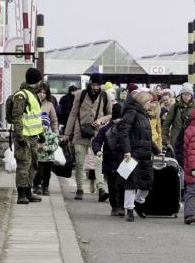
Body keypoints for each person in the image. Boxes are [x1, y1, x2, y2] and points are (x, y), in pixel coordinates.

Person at [64, 73, 112, 201]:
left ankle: (101, 188)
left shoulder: (104, 95)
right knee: (79, 162)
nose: (95, 87)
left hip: (97, 133)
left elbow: (110, 114)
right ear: (90, 83)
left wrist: (101, 120)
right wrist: (67, 134)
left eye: (97, 85)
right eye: (93, 84)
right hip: (80, 132)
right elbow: (73, 114)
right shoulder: (81, 94)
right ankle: (79, 188)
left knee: (98, 161)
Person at [117, 92, 160, 222]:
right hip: (133, 154)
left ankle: (138, 202)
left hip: (145, 154)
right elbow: (123, 132)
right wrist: (127, 150)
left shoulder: (143, 115)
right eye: (149, 102)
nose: (151, 105)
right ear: (143, 102)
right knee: (131, 183)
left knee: (147, 183)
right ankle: (129, 209)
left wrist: (156, 150)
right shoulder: (132, 113)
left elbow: (147, 137)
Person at [11, 68, 44, 204]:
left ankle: (28, 191)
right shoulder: (22, 95)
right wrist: (19, 137)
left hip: (33, 136)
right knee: (24, 165)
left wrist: (41, 133)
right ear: (37, 81)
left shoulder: (33, 95)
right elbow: (17, 116)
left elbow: (35, 118)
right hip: (23, 137)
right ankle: (21, 194)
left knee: (33, 164)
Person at [92, 103, 125, 216]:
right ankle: (114, 206)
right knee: (112, 185)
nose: (118, 121)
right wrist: (98, 151)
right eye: (117, 118)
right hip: (109, 160)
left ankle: (121, 206)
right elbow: (96, 141)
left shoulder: (126, 128)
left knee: (122, 184)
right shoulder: (105, 129)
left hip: (122, 160)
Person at [32, 83, 59, 194]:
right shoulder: (33, 103)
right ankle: (36, 184)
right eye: (40, 92)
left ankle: (45, 186)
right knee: (38, 167)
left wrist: (56, 132)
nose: (42, 94)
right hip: (35, 134)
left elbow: (54, 120)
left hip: (47, 136)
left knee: (47, 169)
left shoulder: (49, 105)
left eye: (44, 92)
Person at [162, 82, 195, 152]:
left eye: (188, 94)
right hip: (175, 140)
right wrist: (165, 139)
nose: (186, 96)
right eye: (184, 94)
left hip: (190, 140)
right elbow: (166, 124)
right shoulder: (174, 107)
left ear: (191, 96)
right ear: (181, 95)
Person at [33, 114, 59, 196]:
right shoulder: (37, 134)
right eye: (42, 124)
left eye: (45, 124)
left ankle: (45, 187)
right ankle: (37, 186)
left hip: (49, 158)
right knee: (39, 172)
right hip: (39, 158)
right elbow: (33, 143)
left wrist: (47, 148)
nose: (44, 126)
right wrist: (37, 146)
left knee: (47, 173)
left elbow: (55, 145)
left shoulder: (52, 135)